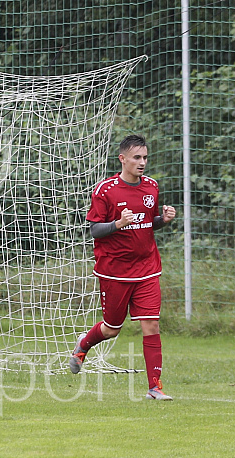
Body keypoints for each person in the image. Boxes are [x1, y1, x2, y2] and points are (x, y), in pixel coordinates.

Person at [70, 134, 176, 401]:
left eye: (145, 157)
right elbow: (95, 229)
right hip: (114, 271)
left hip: (147, 268)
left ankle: (155, 387)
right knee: (112, 328)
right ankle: (84, 344)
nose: (142, 162)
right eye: (137, 158)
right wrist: (118, 224)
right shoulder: (105, 191)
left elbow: (146, 224)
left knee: (151, 325)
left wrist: (162, 220)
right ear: (123, 159)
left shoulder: (151, 187)